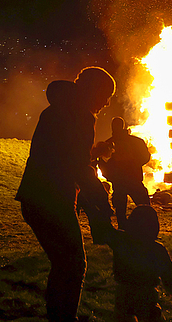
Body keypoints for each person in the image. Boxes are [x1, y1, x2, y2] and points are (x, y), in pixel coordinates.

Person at [15, 66, 116, 322]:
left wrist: (92, 155)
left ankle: (58, 316)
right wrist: (102, 200)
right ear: (95, 91)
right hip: (51, 197)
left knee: (64, 264)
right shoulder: (81, 115)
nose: (107, 103)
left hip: (36, 195)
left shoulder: (58, 109)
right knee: (73, 264)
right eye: (107, 95)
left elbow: (64, 154)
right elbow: (75, 165)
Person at [105, 205, 172, 322]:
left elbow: (105, 228)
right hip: (146, 293)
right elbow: (167, 272)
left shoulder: (120, 241)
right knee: (151, 316)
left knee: (122, 316)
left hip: (124, 291)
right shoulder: (157, 249)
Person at [99, 116, 152, 230]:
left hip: (119, 180)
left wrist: (110, 175)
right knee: (143, 204)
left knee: (121, 206)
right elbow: (146, 157)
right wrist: (134, 165)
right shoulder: (135, 141)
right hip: (133, 178)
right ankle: (148, 227)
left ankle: (123, 228)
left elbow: (102, 163)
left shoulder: (108, 143)